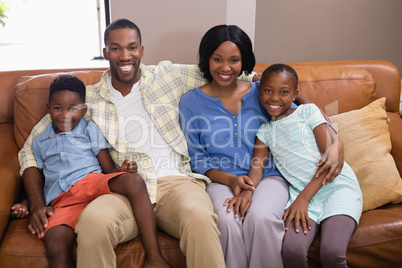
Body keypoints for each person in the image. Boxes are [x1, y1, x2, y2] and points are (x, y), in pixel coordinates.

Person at [18, 18, 257, 268]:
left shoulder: (169, 76)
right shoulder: (85, 98)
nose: (125, 56)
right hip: (123, 191)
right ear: (105, 52)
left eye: (132, 47)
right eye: (115, 48)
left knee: (200, 218)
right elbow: (29, 153)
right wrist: (36, 203)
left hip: (176, 183)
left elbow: (227, 71)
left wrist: (286, 93)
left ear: (142, 50)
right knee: (93, 223)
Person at [179, 25, 344, 268]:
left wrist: (337, 143)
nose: (225, 68)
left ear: (243, 60)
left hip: (270, 176)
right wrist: (232, 181)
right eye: (217, 59)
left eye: (234, 60)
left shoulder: (263, 91)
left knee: (262, 217)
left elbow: (305, 118)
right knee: (226, 220)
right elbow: (199, 159)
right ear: (207, 59)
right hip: (221, 180)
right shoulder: (191, 102)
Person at [28, 74, 171, 268]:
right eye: (57, 108)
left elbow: (107, 168)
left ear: (84, 110)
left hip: (91, 183)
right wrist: (26, 203)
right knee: (55, 244)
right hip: (61, 200)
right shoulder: (39, 142)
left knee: (135, 180)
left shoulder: (89, 129)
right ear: (48, 108)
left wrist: (123, 171)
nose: (65, 115)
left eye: (73, 109)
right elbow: (39, 176)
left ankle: (155, 257)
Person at [247, 63, 362, 268]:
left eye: (284, 92)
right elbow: (256, 170)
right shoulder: (263, 132)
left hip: (336, 188)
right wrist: (246, 191)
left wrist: (303, 199)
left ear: (295, 94)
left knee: (332, 253)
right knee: (291, 251)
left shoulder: (308, 112)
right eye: (268, 91)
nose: (274, 98)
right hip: (303, 197)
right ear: (260, 92)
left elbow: (330, 160)